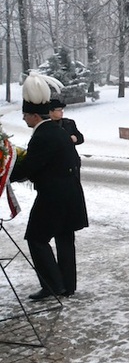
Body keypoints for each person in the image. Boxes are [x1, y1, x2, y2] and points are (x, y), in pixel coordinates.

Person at [10, 72, 88, 300]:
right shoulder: (57, 131)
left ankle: (53, 285)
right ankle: (67, 285)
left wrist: (7, 173)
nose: (24, 119)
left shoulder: (43, 135)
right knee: (64, 239)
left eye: (25, 115)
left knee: (36, 238)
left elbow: (29, 168)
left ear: (34, 115)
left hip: (53, 196)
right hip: (70, 192)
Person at [48, 98, 84, 167]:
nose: (62, 112)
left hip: (71, 162)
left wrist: (75, 138)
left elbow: (81, 138)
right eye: (59, 110)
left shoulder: (69, 123)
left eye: (62, 110)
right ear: (51, 112)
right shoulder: (46, 125)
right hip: (55, 164)